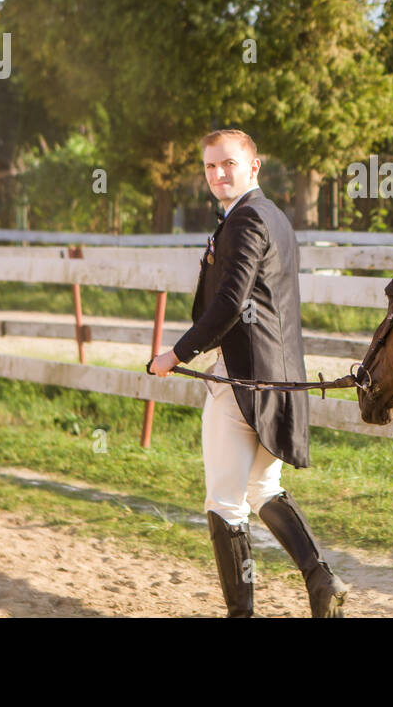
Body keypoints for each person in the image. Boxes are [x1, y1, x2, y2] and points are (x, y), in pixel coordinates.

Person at [149, 128, 348, 617]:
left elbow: (230, 302)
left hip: (243, 381)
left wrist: (176, 354)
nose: (218, 174)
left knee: (223, 501)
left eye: (229, 164)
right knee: (261, 488)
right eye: (210, 167)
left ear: (253, 166)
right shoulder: (275, 218)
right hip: (281, 380)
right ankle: (321, 578)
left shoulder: (245, 220)